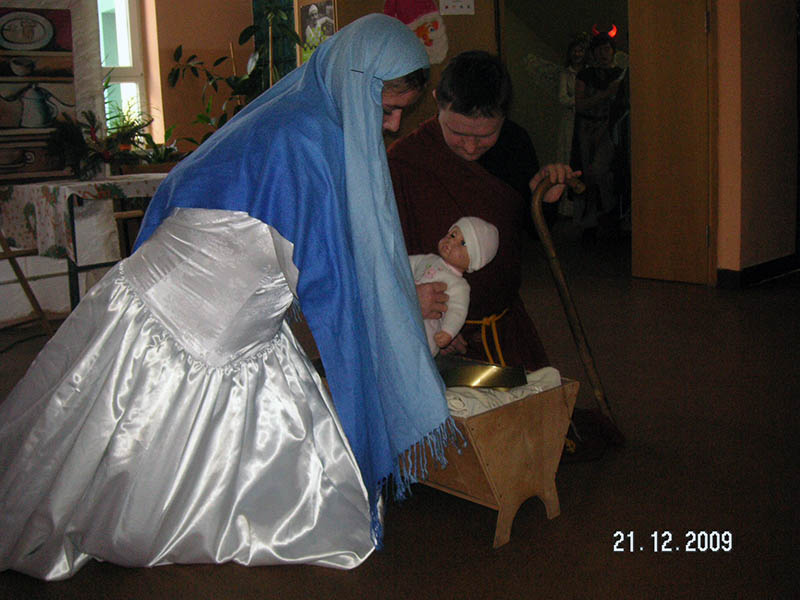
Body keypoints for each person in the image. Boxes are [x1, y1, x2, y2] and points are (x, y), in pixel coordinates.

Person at [0, 14, 454, 580]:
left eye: (400, 112)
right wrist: (399, 309)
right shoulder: (307, 137)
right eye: (384, 108)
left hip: (233, 318)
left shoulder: (303, 115)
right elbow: (335, 273)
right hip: (182, 316)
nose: (391, 125)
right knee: (110, 464)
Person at [388, 50, 577, 372]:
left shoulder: (514, 144)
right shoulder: (406, 161)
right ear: (437, 102)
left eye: (486, 135)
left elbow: (532, 232)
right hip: (431, 325)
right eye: (458, 133)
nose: (471, 147)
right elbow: (388, 256)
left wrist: (545, 200)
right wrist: (434, 321)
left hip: (504, 324)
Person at [409, 216, 499, 355]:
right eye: (452, 235)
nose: (451, 241)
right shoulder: (428, 258)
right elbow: (406, 264)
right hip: (405, 311)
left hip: (427, 327)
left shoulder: (459, 285)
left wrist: (448, 332)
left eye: (463, 243)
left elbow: (457, 311)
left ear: (473, 262)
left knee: (418, 346)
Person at [573, 32, 628, 245]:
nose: (603, 54)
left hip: (609, 130)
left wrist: (606, 127)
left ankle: (610, 213)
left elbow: (622, 107)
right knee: (586, 176)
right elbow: (580, 105)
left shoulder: (619, 74)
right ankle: (590, 224)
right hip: (586, 129)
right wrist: (605, 94)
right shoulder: (585, 75)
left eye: (607, 49)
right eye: (599, 50)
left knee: (601, 171)